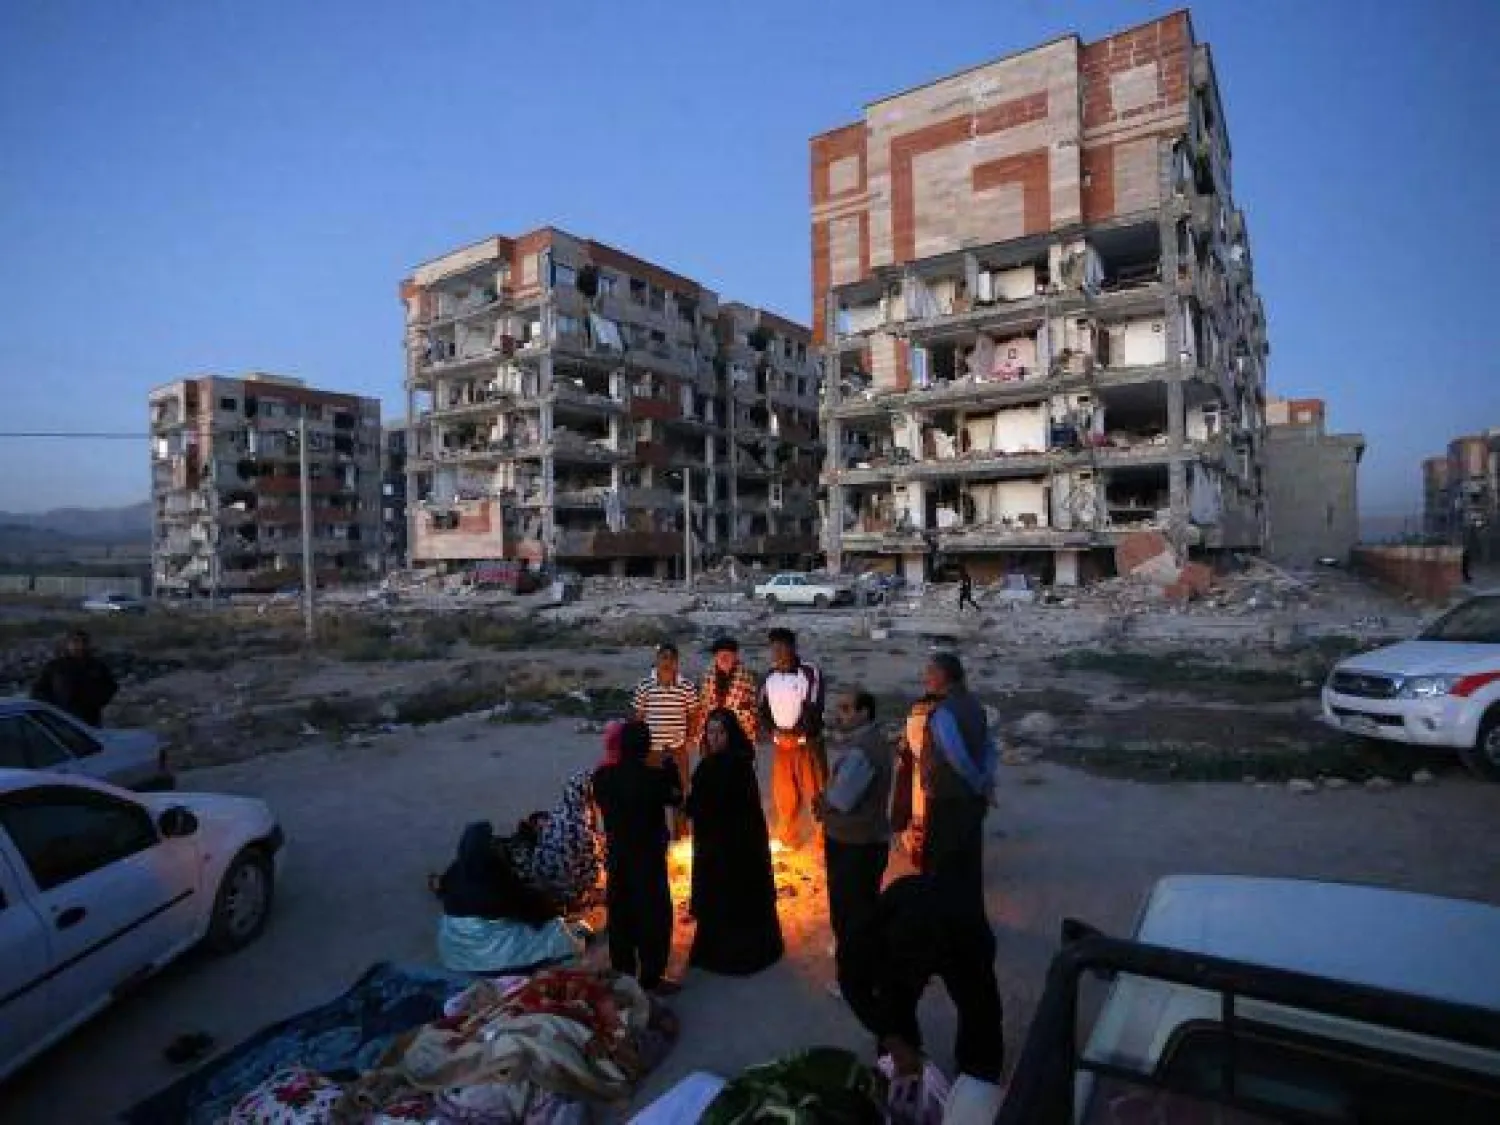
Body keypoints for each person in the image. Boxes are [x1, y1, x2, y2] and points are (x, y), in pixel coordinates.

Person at [838, 874, 1005, 1088]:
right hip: (909, 912)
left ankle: (976, 1084)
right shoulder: (867, 931)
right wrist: (892, 1038)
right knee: (894, 1008)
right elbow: (852, 985)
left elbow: (984, 1009)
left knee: (980, 1011)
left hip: (958, 934)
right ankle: (900, 1067)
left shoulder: (970, 935)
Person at [686, 708, 783, 976]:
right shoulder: (740, 762)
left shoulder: (720, 766)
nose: (714, 737)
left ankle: (726, 956)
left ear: (731, 734)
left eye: (720, 732)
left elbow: (700, 806)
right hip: (738, 846)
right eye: (710, 731)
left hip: (726, 848)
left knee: (727, 898)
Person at [593, 719, 683, 994]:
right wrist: (669, 767)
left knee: (621, 916)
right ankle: (652, 977)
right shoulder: (654, 780)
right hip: (649, 858)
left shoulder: (602, 778)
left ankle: (624, 975)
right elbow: (677, 797)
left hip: (619, 857)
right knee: (653, 916)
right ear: (646, 747)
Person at [434, 821, 585, 975]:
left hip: (453, 948)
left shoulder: (458, 869)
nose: (496, 844)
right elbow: (532, 911)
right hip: (482, 955)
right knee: (554, 930)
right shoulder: (494, 885)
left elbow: (442, 888)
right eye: (492, 841)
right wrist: (553, 908)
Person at [815, 691, 893, 965]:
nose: (841, 714)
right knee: (863, 907)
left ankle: (855, 974)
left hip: (854, 843)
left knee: (850, 910)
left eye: (847, 709)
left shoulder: (863, 750)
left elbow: (840, 799)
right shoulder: (873, 742)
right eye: (840, 708)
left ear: (864, 713)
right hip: (866, 840)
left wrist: (821, 804)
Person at [921, 654, 998, 917]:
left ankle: (944, 921)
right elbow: (989, 748)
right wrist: (986, 782)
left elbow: (958, 758)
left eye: (931, 672)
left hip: (948, 799)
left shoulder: (944, 712)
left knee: (943, 864)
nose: (926, 677)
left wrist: (979, 785)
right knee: (969, 862)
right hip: (971, 801)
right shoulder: (974, 705)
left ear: (944, 677)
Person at [759, 627, 827, 850]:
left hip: (807, 744)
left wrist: (798, 734)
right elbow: (763, 710)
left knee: (815, 790)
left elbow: (813, 707)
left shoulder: (809, 673)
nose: (776, 654)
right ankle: (787, 835)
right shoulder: (770, 677)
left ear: (792, 648)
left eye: (781, 648)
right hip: (782, 747)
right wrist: (774, 732)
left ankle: (823, 837)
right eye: (773, 649)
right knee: (784, 793)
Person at [633, 642, 699, 839]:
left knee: (680, 797)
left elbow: (694, 714)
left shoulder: (686, 686)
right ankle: (655, 840)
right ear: (657, 660)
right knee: (652, 796)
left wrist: (690, 738)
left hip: (677, 750)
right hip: (653, 752)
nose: (667, 662)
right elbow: (638, 717)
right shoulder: (645, 685)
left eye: (671, 658)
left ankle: (681, 839)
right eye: (663, 657)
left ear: (677, 662)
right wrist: (638, 746)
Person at [527, 768, 604, 913]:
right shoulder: (581, 828)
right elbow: (592, 870)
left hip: (543, 884)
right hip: (565, 892)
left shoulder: (555, 816)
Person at [31, 629, 118, 727]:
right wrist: (53, 707)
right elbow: (38, 691)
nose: (80, 646)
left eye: (84, 642)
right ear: (68, 644)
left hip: (89, 719)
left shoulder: (97, 666)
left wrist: (97, 701)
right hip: (61, 719)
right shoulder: (55, 666)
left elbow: (111, 686)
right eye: (75, 641)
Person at [696, 636, 759, 750]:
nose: (724, 659)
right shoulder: (708, 677)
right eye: (720, 656)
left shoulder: (746, 678)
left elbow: (753, 710)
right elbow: (703, 709)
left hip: (739, 734)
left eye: (727, 655)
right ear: (715, 657)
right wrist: (701, 737)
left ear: (735, 656)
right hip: (713, 734)